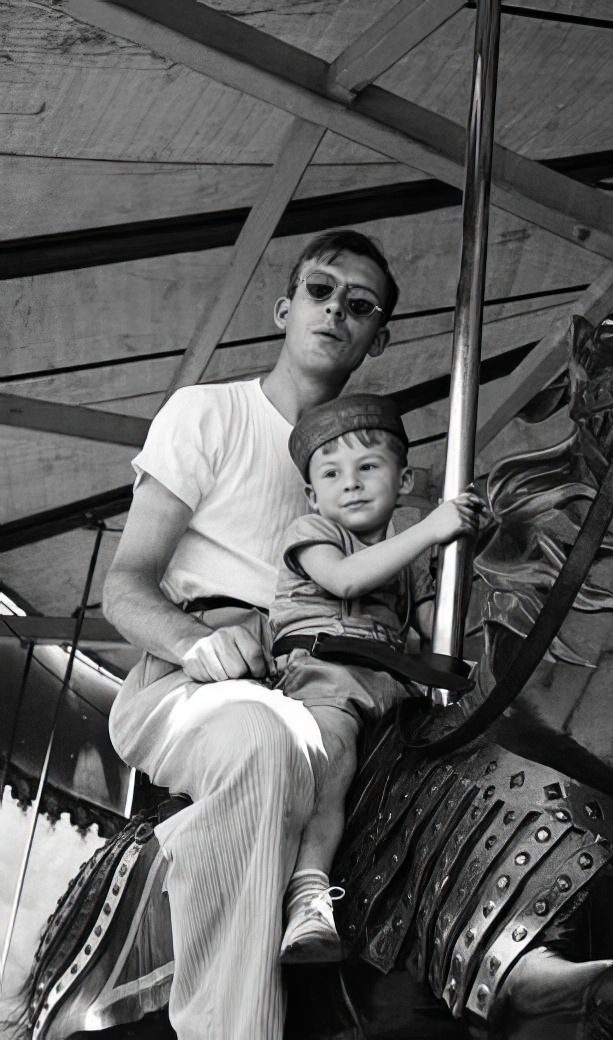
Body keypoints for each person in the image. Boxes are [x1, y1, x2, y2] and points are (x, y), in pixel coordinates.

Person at [103, 229, 397, 1040]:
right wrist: (197, 643)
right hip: (198, 682)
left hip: (321, 685)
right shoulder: (209, 414)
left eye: (360, 305)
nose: (337, 309)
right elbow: (124, 586)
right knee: (264, 743)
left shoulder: (364, 473)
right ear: (285, 306)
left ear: (379, 336)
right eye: (321, 290)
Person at [269, 393, 482, 963]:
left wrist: (462, 565)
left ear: (403, 477)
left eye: (368, 467)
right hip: (324, 676)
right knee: (330, 755)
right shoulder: (312, 531)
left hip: (393, 689)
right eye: (332, 473)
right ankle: (308, 893)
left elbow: (440, 634)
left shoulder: (409, 559)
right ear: (313, 493)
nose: (352, 483)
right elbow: (343, 580)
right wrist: (430, 530)